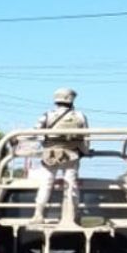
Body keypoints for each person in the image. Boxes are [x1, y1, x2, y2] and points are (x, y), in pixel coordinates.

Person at [32, 88, 89, 223]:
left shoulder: (47, 115)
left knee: (46, 183)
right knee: (71, 185)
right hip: (72, 154)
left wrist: (44, 145)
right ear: (72, 100)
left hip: (50, 154)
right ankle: (73, 216)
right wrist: (85, 152)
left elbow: (35, 132)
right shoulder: (80, 116)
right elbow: (86, 138)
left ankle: (38, 214)